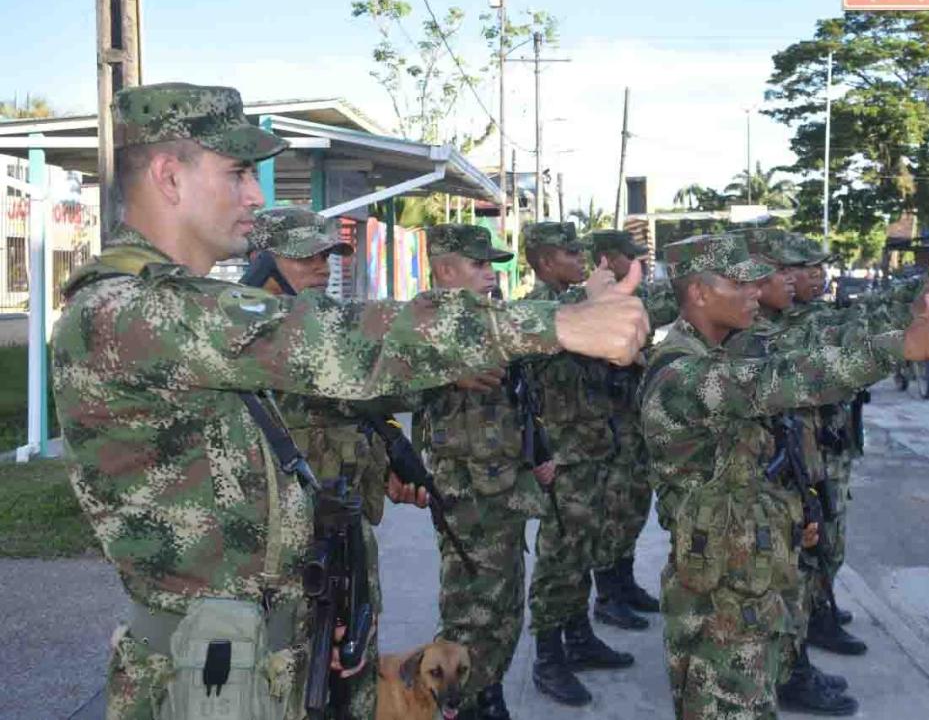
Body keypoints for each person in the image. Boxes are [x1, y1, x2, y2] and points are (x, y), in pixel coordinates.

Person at [50, 82, 651, 719]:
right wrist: (554, 324)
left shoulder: (179, 308)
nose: (255, 195)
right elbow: (335, 337)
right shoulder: (129, 308)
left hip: (272, 653)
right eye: (237, 172)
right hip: (214, 681)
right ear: (170, 176)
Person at [640, 233, 929, 720]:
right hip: (718, 595)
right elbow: (779, 382)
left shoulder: (729, 349)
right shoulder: (680, 373)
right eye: (740, 282)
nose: (755, 291)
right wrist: (898, 346)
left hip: (750, 573)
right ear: (699, 293)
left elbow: (752, 455)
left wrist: (789, 518)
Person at [244, 205, 393, 719]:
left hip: (342, 537)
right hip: (282, 561)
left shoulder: (312, 328)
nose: (323, 266)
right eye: (306, 255)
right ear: (262, 261)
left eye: (328, 254)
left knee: (352, 682)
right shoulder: (247, 336)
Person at [784, 235, 929, 659]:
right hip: (808, 454)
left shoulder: (816, 313)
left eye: (819, 267)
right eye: (805, 267)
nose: (816, 274)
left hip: (832, 445)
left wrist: (923, 285)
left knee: (831, 536)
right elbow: (860, 329)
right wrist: (904, 329)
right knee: (812, 543)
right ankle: (808, 626)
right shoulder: (782, 326)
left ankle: (818, 609)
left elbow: (866, 311)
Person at [413, 223, 553, 720]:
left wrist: (539, 453)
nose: (490, 274)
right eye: (479, 265)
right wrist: (446, 372)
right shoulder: (420, 326)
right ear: (446, 269)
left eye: (491, 264)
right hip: (464, 495)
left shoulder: (492, 319)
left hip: (505, 490)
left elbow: (521, 397)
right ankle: (460, 704)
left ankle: (487, 689)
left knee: (504, 605)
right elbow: (388, 389)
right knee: (469, 609)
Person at [521, 221, 634, 707]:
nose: (580, 259)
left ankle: (578, 636)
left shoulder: (572, 303)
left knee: (582, 549)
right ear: (546, 262)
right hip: (562, 456)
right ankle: (549, 657)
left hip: (591, 448)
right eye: (569, 252)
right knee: (559, 558)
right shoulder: (537, 310)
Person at [588, 229, 678, 630]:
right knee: (613, 511)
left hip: (629, 423)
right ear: (607, 259)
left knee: (631, 508)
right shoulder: (592, 301)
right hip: (605, 430)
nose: (638, 265)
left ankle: (623, 584)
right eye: (631, 258)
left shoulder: (619, 298)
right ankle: (608, 595)